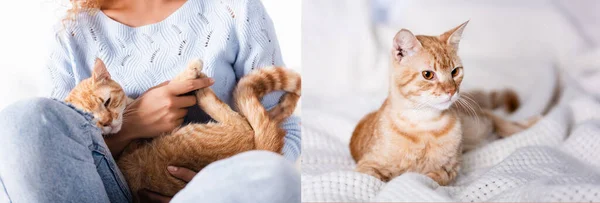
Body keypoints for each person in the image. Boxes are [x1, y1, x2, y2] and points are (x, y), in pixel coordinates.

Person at [0, 0, 301, 202]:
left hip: (206, 188)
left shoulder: (235, 8)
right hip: (109, 191)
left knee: (275, 175)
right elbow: (55, 150)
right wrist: (133, 124)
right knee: (20, 121)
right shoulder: (72, 33)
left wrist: (215, 181)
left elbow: (288, 131)